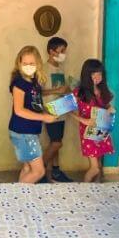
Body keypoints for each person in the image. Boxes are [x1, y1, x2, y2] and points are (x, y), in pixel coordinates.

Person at [8, 46, 58, 183]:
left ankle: (22, 198)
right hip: (23, 132)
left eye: (32, 63)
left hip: (28, 131)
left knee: (27, 168)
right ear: (19, 64)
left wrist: (47, 113)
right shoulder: (19, 83)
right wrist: (43, 117)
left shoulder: (34, 82)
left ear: (38, 64)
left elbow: (35, 106)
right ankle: (15, 196)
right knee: (39, 171)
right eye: (25, 63)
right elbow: (19, 110)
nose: (28, 66)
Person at [72, 59, 115, 183]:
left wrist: (110, 108)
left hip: (101, 131)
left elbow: (105, 107)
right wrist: (83, 120)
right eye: (93, 74)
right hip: (88, 133)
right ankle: (85, 192)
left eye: (99, 74)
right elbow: (68, 111)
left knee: (99, 166)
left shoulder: (102, 91)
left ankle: (95, 190)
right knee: (94, 168)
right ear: (86, 75)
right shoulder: (78, 92)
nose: (97, 77)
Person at [41, 36, 73, 182]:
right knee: (56, 142)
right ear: (51, 51)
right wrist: (56, 91)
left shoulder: (60, 68)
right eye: (61, 51)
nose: (63, 54)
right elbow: (38, 92)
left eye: (64, 51)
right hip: (50, 110)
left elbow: (62, 88)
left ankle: (55, 171)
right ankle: (39, 170)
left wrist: (67, 90)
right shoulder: (43, 69)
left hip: (62, 108)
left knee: (57, 141)